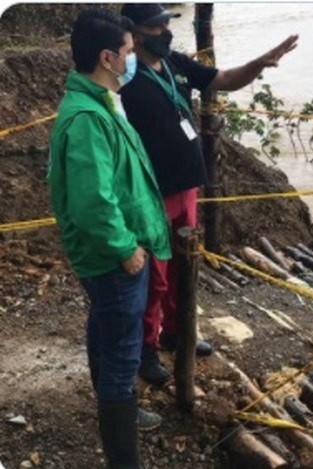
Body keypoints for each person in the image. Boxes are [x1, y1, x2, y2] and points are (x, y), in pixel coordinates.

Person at [118, 4, 299, 386]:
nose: (165, 32)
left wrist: (261, 62)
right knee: (155, 274)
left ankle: (176, 332)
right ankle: (146, 349)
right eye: (156, 26)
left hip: (188, 187)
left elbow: (225, 78)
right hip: (150, 191)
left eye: (168, 24)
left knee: (184, 266)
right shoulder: (124, 78)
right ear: (133, 31)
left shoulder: (176, 64)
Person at [47, 9, 171, 467]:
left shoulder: (100, 104)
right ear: (107, 58)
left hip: (113, 256)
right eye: (127, 51)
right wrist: (127, 250)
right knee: (121, 357)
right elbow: (91, 203)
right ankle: (124, 456)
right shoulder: (87, 119)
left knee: (105, 330)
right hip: (114, 258)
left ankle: (115, 406)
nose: (132, 57)